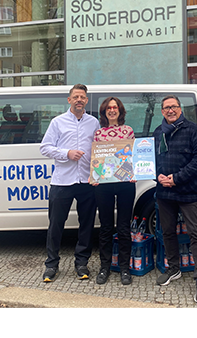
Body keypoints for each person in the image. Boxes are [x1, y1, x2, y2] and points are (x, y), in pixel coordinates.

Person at [40, 84, 100, 282]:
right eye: (76, 97)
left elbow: (99, 149)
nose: (79, 100)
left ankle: (81, 263)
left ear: (86, 101)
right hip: (62, 181)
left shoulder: (93, 123)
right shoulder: (57, 122)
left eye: (82, 97)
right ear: (69, 100)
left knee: (87, 225)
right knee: (56, 225)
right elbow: (45, 147)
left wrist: (99, 174)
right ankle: (51, 265)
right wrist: (67, 153)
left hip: (87, 181)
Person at [153, 95, 197, 305]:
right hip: (164, 192)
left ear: (180, 109)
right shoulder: (158, 132)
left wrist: (177, 178)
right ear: (162, 111)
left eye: (174, 107)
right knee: (167, 232)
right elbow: (151, 160)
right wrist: (157, 176)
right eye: (166, 107)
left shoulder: (193, 130)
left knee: (196, 233)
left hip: (189, 192)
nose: (170, 110)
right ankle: (174, 268)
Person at [91, 96, 136, 286]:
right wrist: (94, 176)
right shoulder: (99, 134)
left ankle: (125, 268)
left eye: (115, 107)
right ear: (104, 112)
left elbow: (133, 156)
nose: (112, 110)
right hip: (104, 184)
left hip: (126, 182)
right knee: (106, 227)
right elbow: (96, 159)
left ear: (120, 110)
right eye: (108, 108)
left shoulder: (128, 131)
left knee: (124, 227)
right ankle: (105, 267)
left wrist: (135, 172)